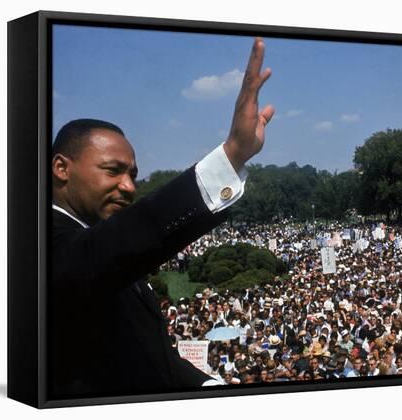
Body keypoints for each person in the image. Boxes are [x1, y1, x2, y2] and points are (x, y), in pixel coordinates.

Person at [49, 38, 275, 397]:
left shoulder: (102, 253)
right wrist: (232, 154)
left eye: (133, 175)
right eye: (113, 171)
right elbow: (132, 234)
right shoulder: (47, 244)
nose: (128, 186)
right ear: (61, 168)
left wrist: (213, 386)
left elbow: (150, 355)